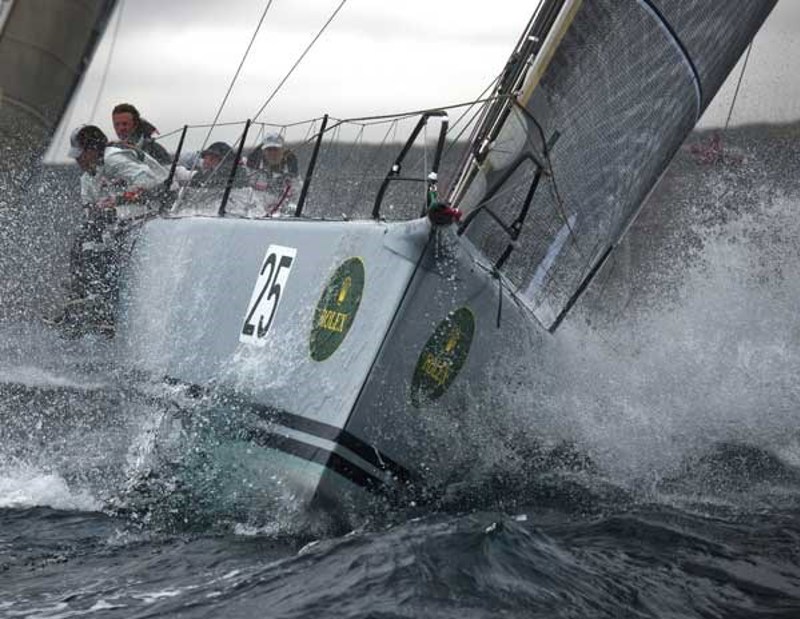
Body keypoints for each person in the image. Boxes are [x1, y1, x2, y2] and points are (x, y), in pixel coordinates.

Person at [246, 133, 301, 215]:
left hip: (280, 219)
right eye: (269, 149)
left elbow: (297, 197)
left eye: (276, 149)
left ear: (283, 151)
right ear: (263, 151)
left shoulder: (291, 174)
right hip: (254, 217)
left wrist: (290, 210)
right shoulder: (251, 170)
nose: (272, 153)